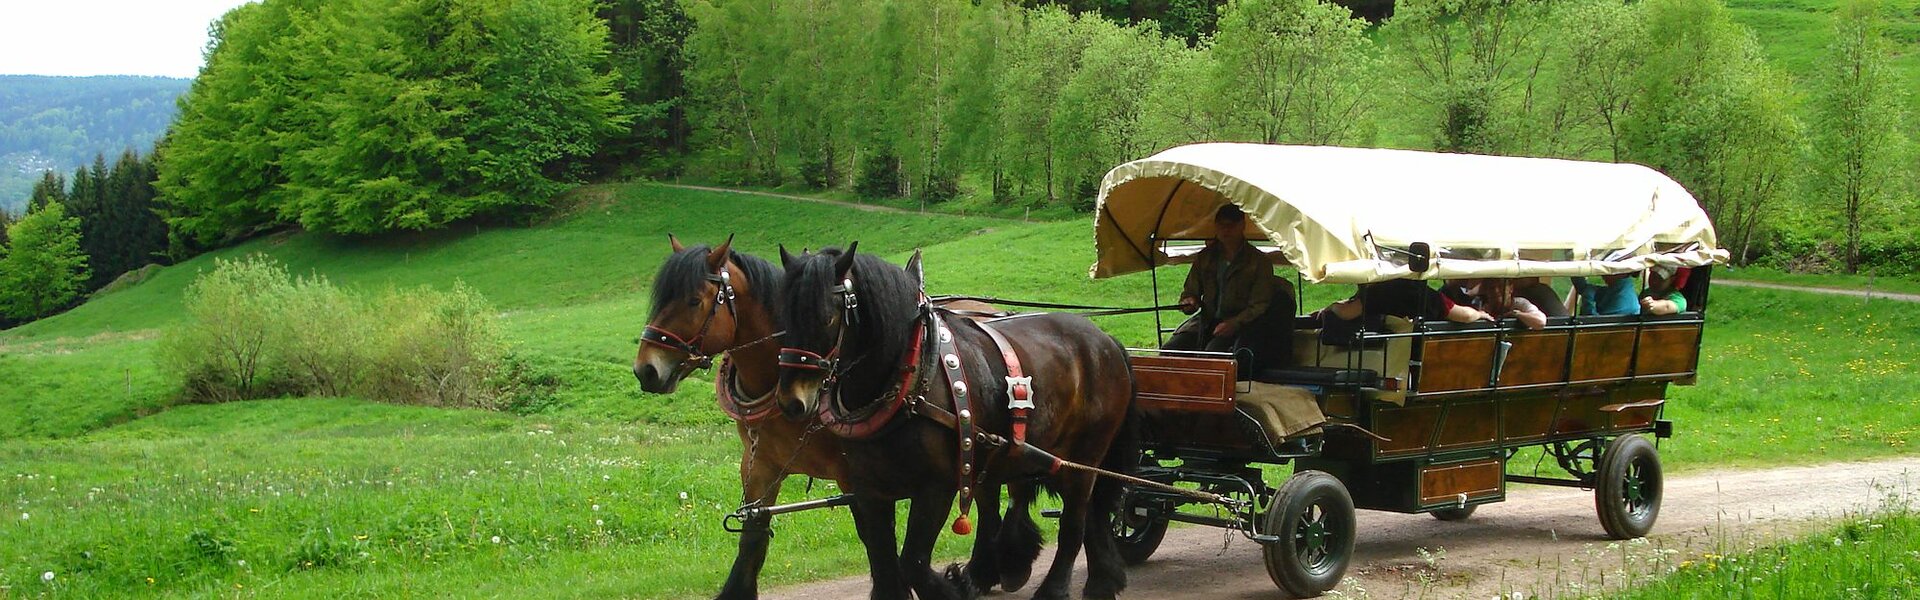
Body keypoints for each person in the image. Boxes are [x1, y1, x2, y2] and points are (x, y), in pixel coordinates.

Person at [1166, 205, 1284, 360]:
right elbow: (1191, 290)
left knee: (1211, 356)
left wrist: (1235, 323)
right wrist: (1189, 301)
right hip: (1206, 322)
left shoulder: (1259, 262)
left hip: (1242, 326)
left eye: (1231, 225)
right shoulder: (1205, 257)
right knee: (1170, 350)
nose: (1226, 230)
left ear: (1242, 225)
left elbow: (1259, 305)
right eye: (1221, 225)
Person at [1570, 273, 1640, 316]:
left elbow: (1594, 325)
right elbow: (1583, 288)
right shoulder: (1618, 288)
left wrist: (1587, 297)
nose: (1602, 274)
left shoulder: (1623, 299)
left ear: (1622, 273)